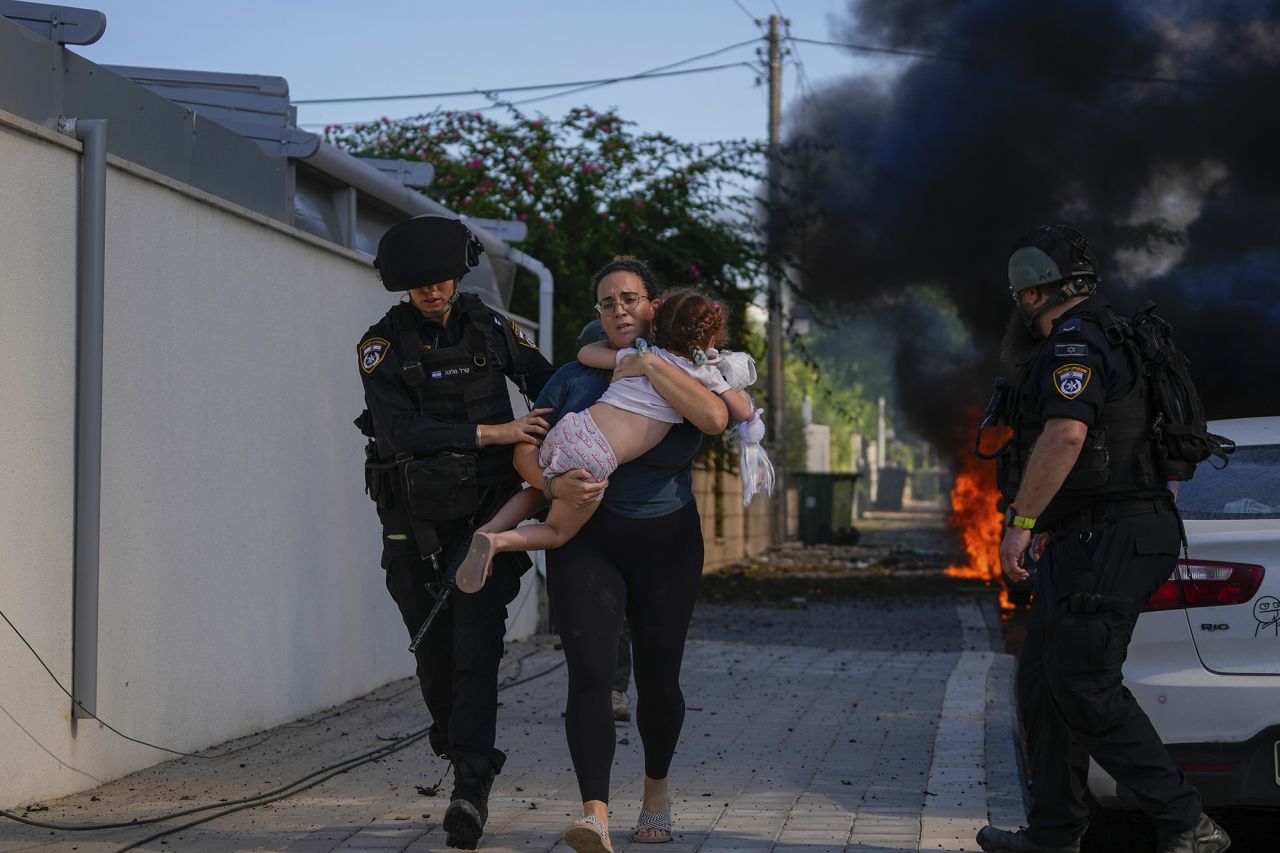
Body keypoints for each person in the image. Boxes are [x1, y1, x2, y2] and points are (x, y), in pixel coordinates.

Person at [977, 226, 1230, 853]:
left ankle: (1186, 823)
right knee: (1044, 683)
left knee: (1085, 684)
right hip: (1088, 535)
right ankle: (1054, 834)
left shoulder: (1075, 340)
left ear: (1031, 295)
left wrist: (1022, 522)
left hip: (1110, 536)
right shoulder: (1109, 333)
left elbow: (1065, 435)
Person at [514, 256, 730, 853]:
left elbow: (719, 416)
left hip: (668, 541)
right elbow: (525, 453)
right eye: (607, 303)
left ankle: (655, 795)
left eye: (630, 298)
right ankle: (595, 813)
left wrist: (650, 365)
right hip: (589, 540)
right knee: (588, 676)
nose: (619, 310)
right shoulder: (572, 378)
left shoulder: (689, 369)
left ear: (654, 305)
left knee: (660, 679)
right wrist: (553, 485)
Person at [355, 214, 557, 850]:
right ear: (402, 288)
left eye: (441, 281)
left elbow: (551, 384)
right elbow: (401, 433)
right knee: (433, 650)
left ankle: (470, 787)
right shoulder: (380, 346)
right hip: (413, 523)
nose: (433, 292)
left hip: (487, 519)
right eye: (419, 286)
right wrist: (493, 433)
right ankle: (457, 744)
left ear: (457, 274)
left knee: (475, 649)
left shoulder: (493, 327)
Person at [452, 288, 754, 589]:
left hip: (573, 428)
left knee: (540, 490)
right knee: (557, 531)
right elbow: (740, 412)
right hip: (596, 455)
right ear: (709, 340)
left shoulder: (640, 355)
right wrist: (728, 384)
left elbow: (586, 353)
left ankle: (489, 527)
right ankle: (497, 541)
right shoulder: (699, 373)